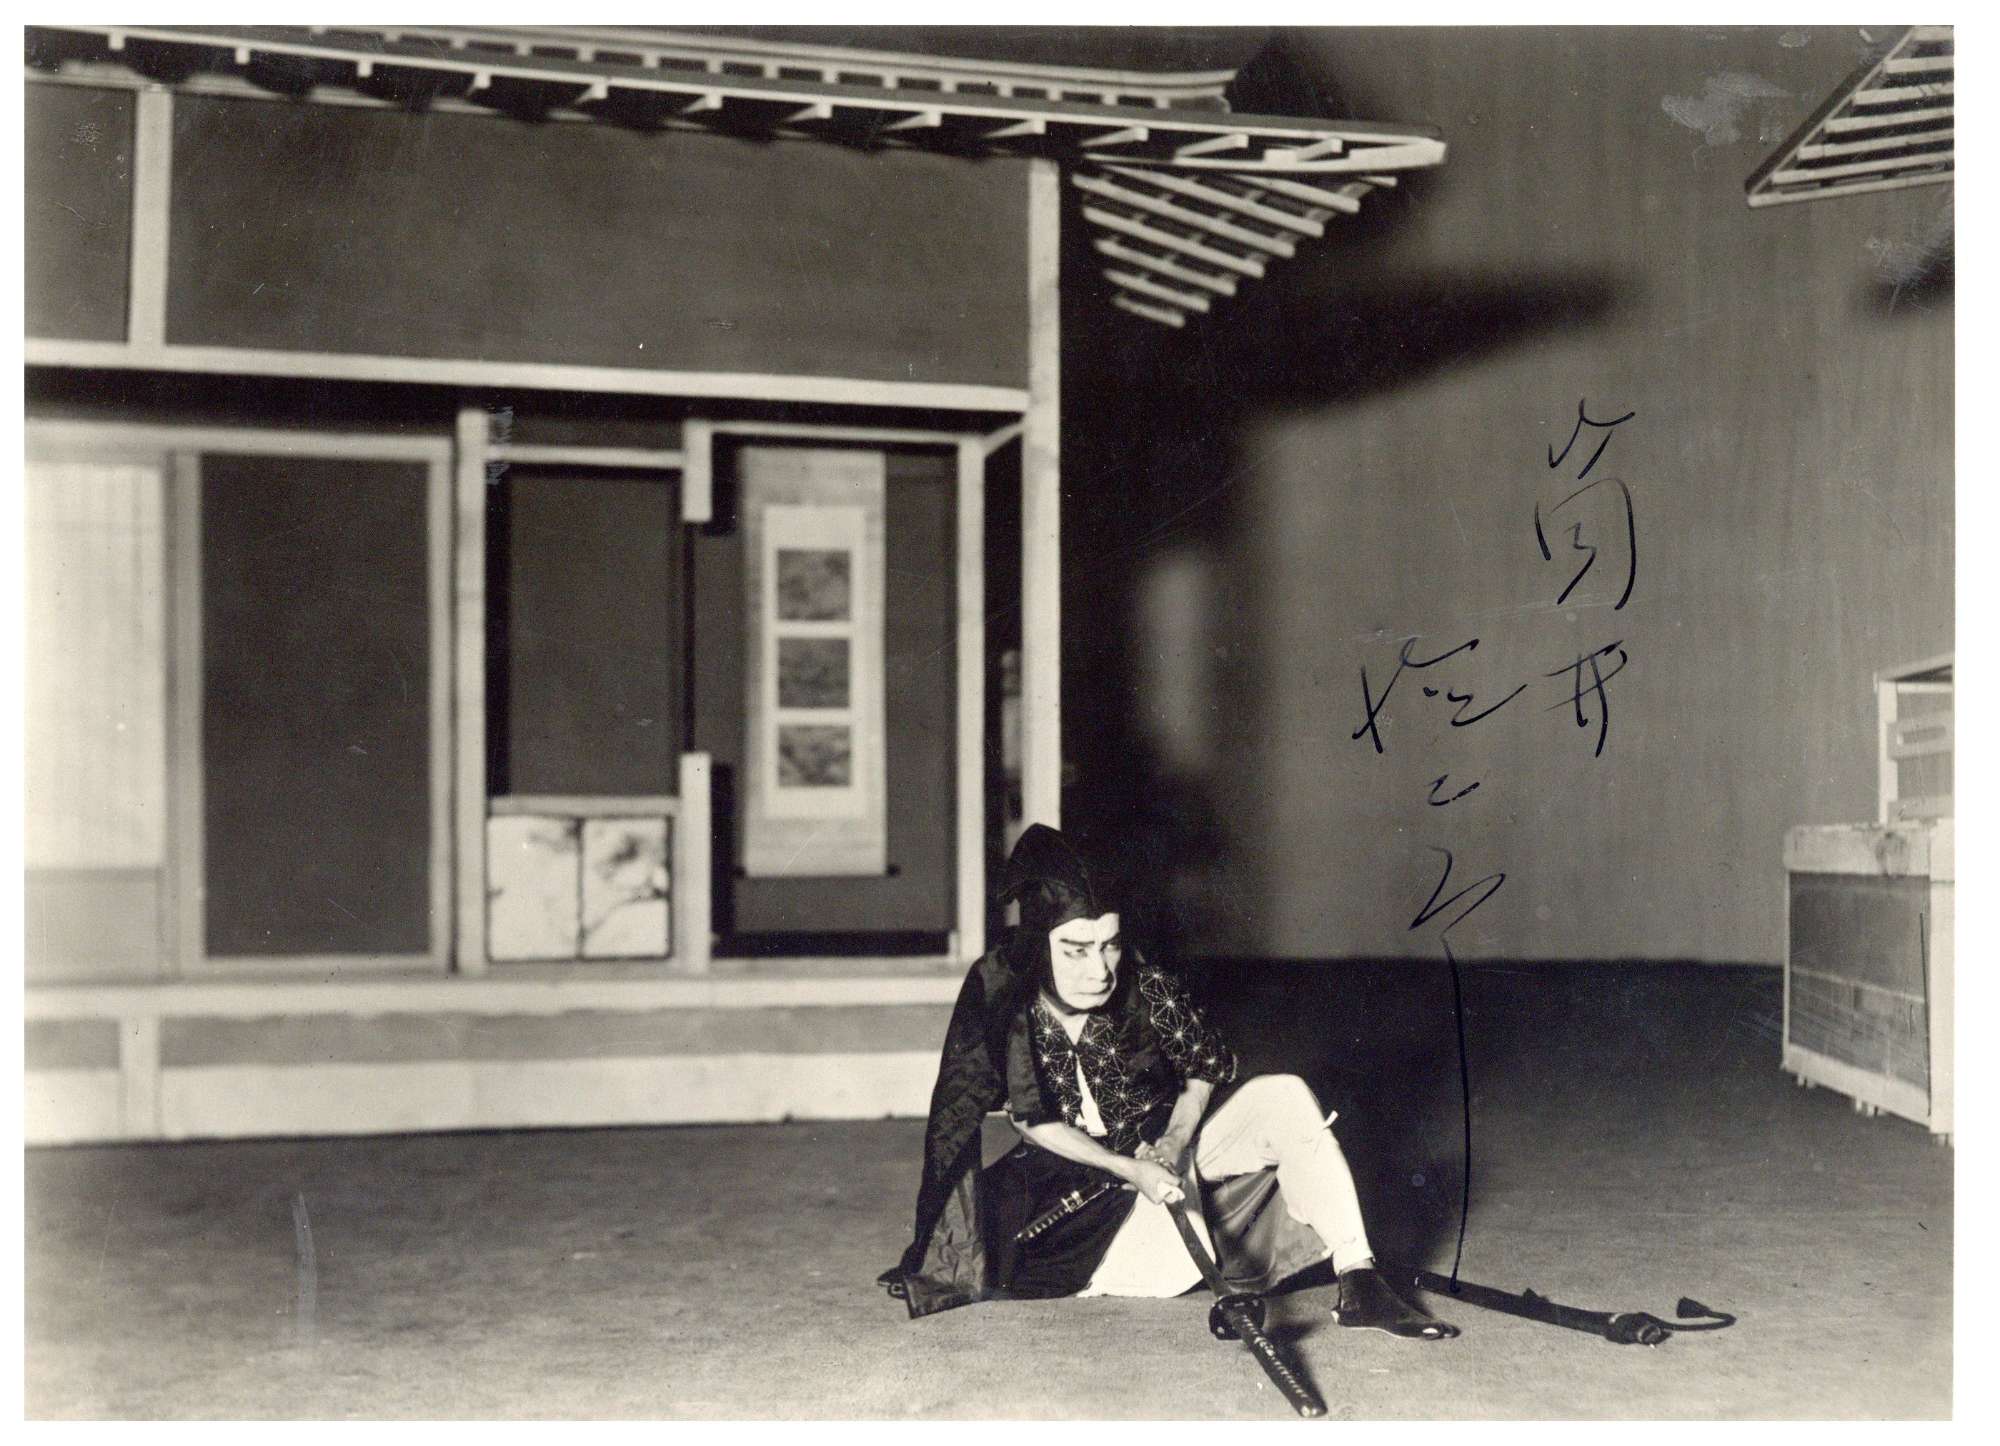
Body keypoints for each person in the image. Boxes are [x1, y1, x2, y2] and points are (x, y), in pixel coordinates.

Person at [880, 823, 1455, 1340]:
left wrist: (1175, 1142)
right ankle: (1214, 1248)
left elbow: (1203, 1067)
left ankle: (1359, 1278)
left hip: (1166, 1148)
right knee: (1171, 1263)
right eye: (1076, 951)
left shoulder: (1141, 977)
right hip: (1074, 1189)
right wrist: (1132, 1170)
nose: (1099, 970)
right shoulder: (1005, 992)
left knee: (1283, 1095)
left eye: (1108, 945)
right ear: (1037, 947)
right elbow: (1032, 1120)